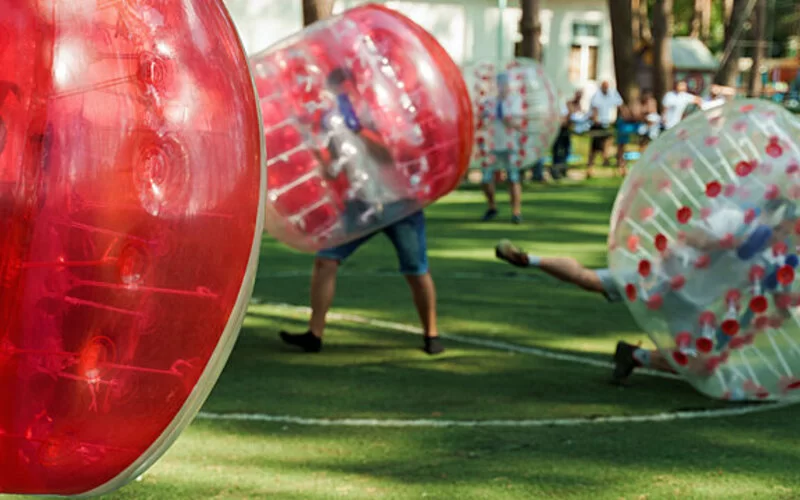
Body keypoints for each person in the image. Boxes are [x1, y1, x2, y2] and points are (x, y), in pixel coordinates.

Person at [493, 197, 798, 384]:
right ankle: (529, 259)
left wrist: (787, 303)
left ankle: (635, 356)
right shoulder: (735, 220)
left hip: (691, 306)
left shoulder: (775, 260)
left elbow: (778, 301)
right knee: (589, 280)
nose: (791, 235)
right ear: (775, 218)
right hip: (664, 276)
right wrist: (733, 242)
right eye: (788, 227)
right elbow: (692, 237)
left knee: (701, 367)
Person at [279, 68, 444, 355]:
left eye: (341, 90)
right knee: (326, 261)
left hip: (399, 201)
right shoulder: (332, 120)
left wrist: (359, 128)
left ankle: (432, 333)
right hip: (360, 203)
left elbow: (391, 154)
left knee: (416, 270)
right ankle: (314, 334)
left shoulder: (380, 110)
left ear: (353, 86)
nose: (337, 96)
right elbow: (334, 169)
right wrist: (318, 154)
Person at [480, 72, 525, 223]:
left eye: (505, 84)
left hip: (510, 144)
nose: (502, 88)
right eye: (500, 84)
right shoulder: (490, 102)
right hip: (492, 145)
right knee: (486, 178)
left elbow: (518, 123)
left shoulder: (515, 102)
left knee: (513, 178)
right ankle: (492, 207)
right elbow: (483, 121)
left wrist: (508, 119)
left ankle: (516, 212)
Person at [587, 81, 623, 178]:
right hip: (598, 125)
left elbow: (620, 105)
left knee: (609, 142)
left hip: (607, 124)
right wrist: (596, 120)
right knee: (594, 149)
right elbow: (595, 111)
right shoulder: (596, 96)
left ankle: (607, 159)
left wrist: (620, 118)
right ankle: (590, 169)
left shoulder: (612, 94)